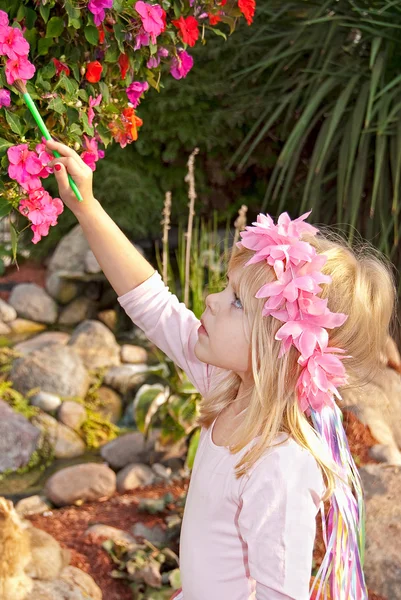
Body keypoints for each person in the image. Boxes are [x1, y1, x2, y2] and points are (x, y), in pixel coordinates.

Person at [45, 139, 396, 600]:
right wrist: (87, 208)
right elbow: (150, 303)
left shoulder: (280, 467)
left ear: (280, 347)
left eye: (234, 301)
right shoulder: (232, 388)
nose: (210, 300)